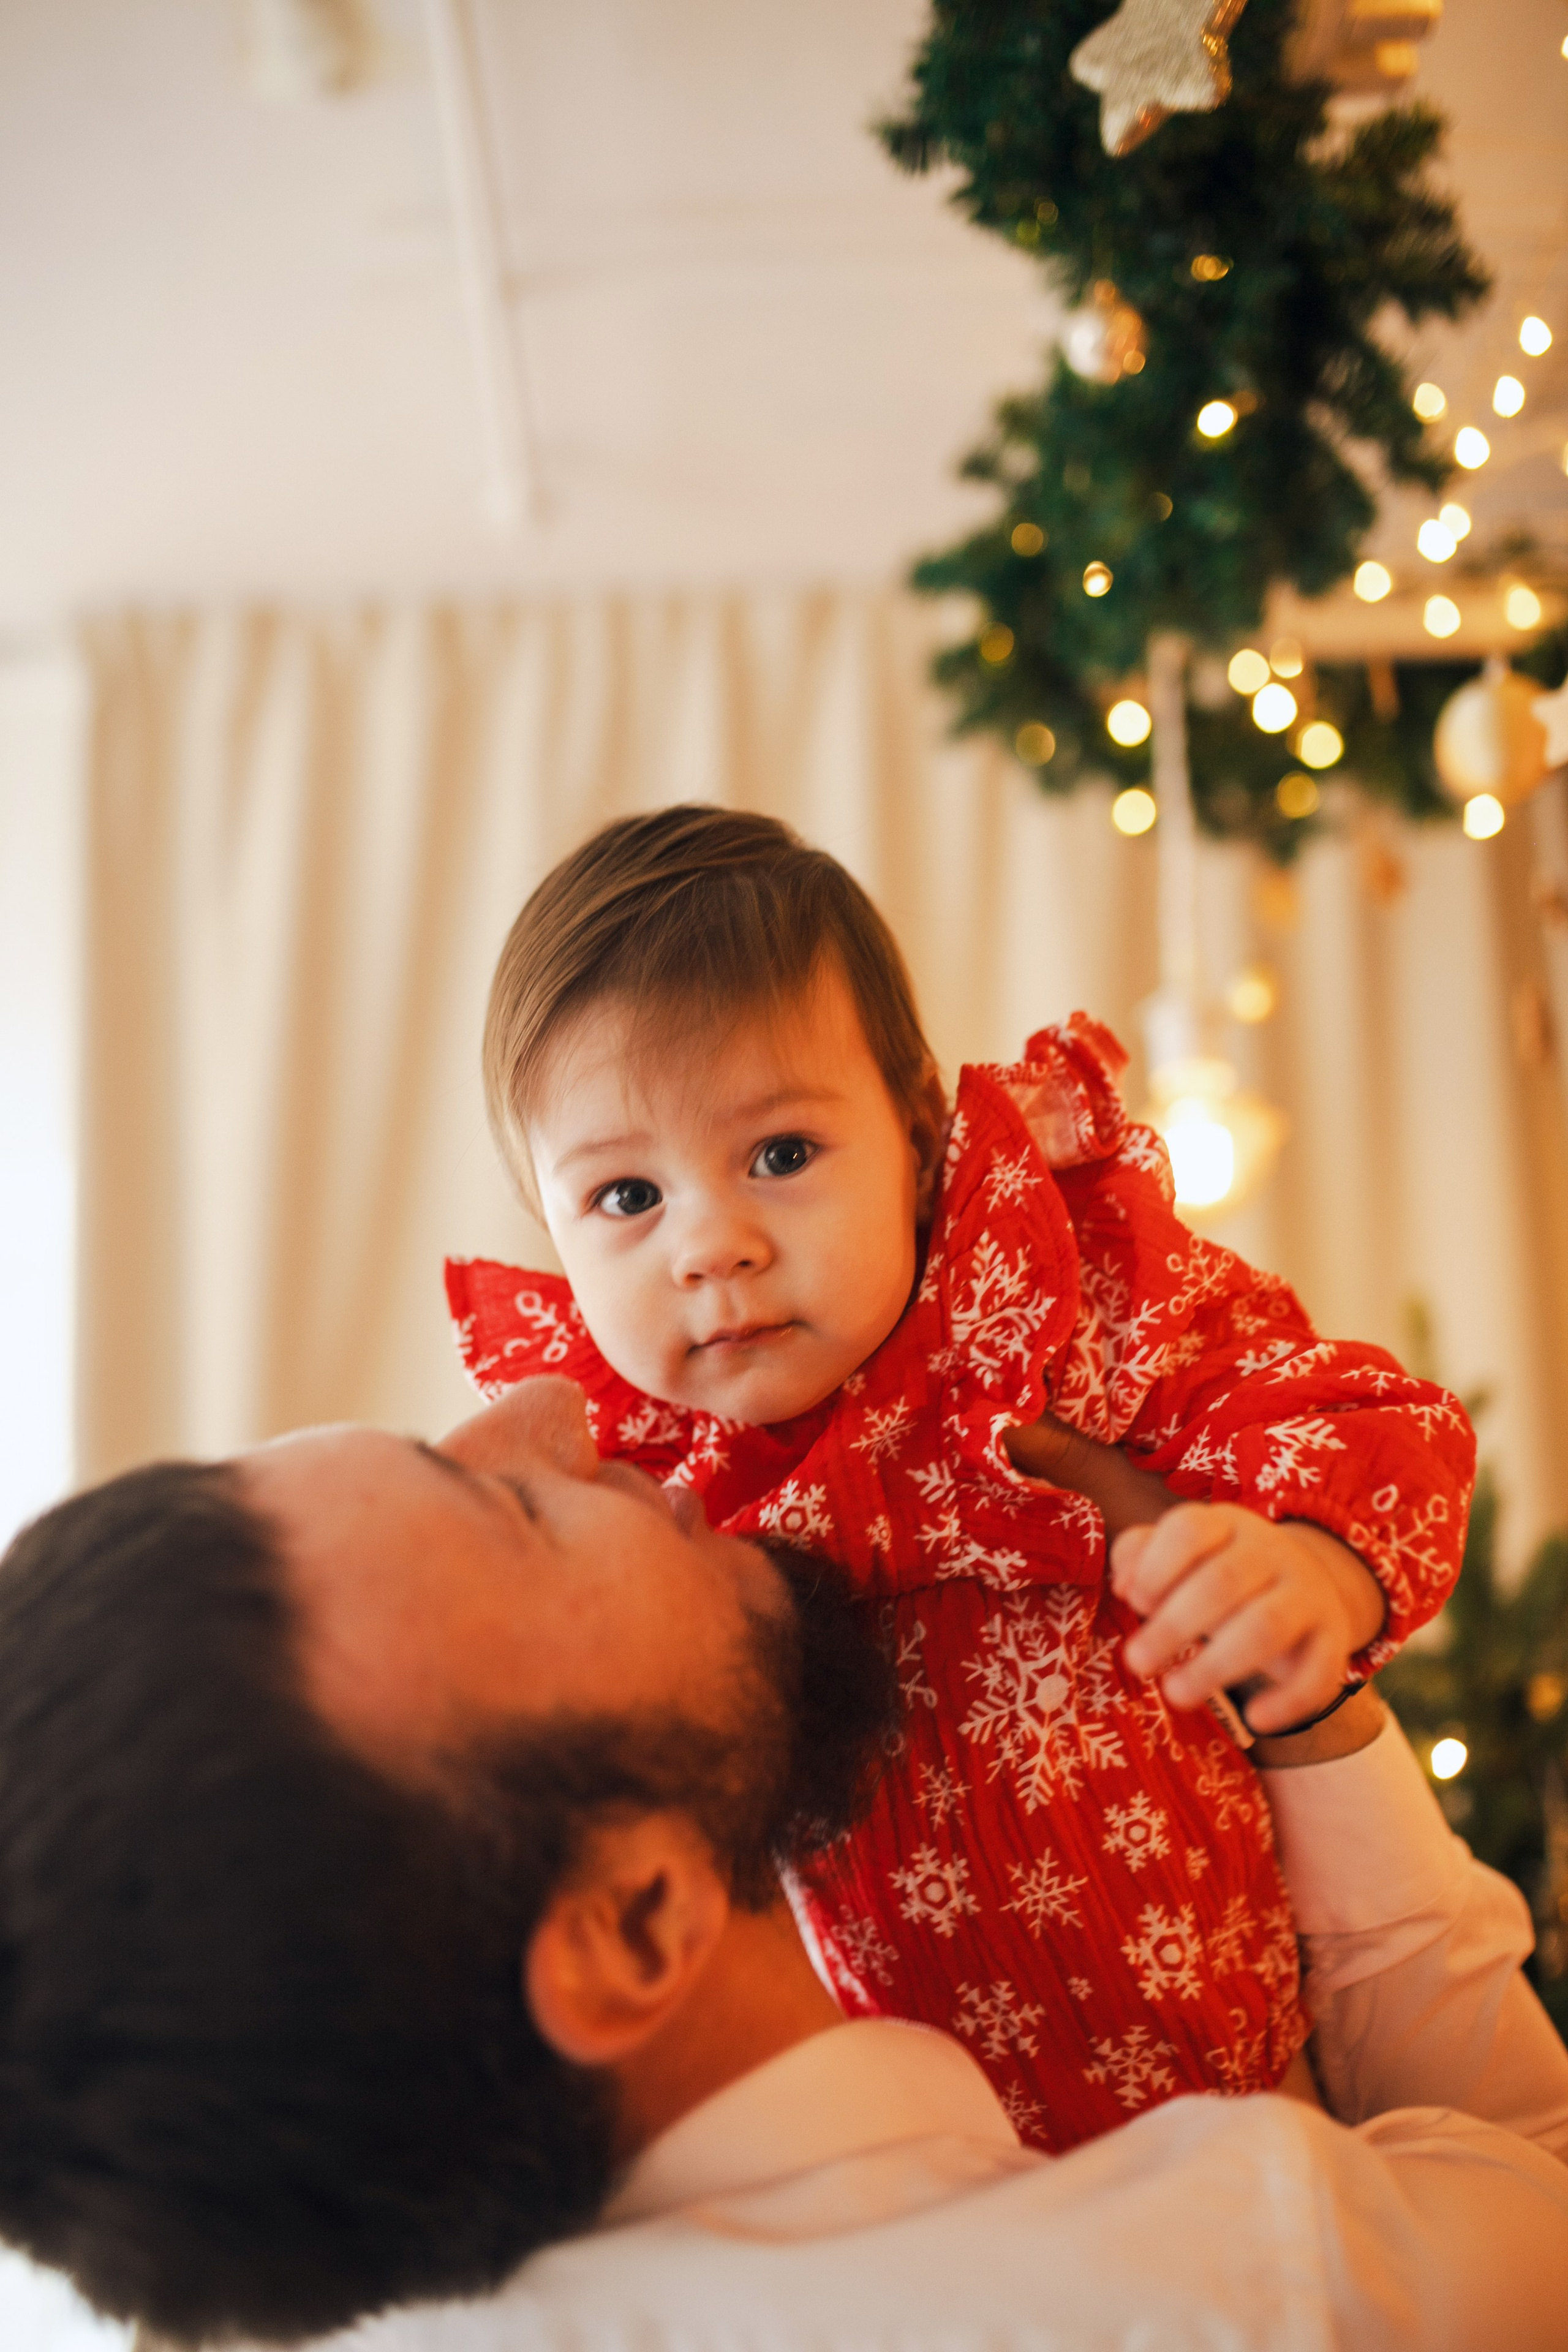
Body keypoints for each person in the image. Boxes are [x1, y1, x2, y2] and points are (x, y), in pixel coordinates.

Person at [0, 1379, 1562, 2352]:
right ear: (630, 1925)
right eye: (510, 1510)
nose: (564, 1405)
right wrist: (1299, 1705)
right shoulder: (1238, 2285)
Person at [448, 804, 1476, 2146]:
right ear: (549, 1227)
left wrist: (1304, 1568)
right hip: (907, 2172)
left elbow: (1356, 1415)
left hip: (1243, 2102)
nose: (710, 1244)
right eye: (626, 1199)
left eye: (779, 1156)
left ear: (920, 1137)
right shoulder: (626, 1500)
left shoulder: (1051, 1320)